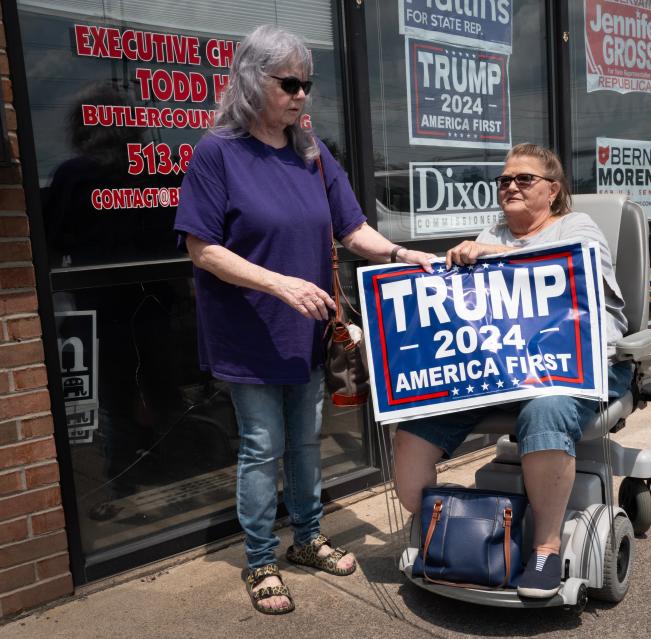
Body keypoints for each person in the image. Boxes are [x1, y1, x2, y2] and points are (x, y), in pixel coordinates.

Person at [173, 25, 433, 616]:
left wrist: (400, 252)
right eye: (288, 83)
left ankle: (309, 537)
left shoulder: (311, 155)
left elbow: (352, 228)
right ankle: (261, 558)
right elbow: (201, 247)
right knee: (263, 446)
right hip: (249, 329)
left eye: (306, 85)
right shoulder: (218, 153)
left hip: (308, 331)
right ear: (250, 80)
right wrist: (279, 283)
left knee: (305, 444)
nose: (300, 96)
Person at [393, 142, 633, 600]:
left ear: (553, 191)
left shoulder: (577, 227)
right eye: (504, 180)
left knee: (544, 412)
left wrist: (488, 255)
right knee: (415, 423)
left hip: (576, 367)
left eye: (524, 179)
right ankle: (443, 531)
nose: (511, 186)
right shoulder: (494, 232)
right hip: (503, 371)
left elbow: (564, 280)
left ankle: (545, 546)